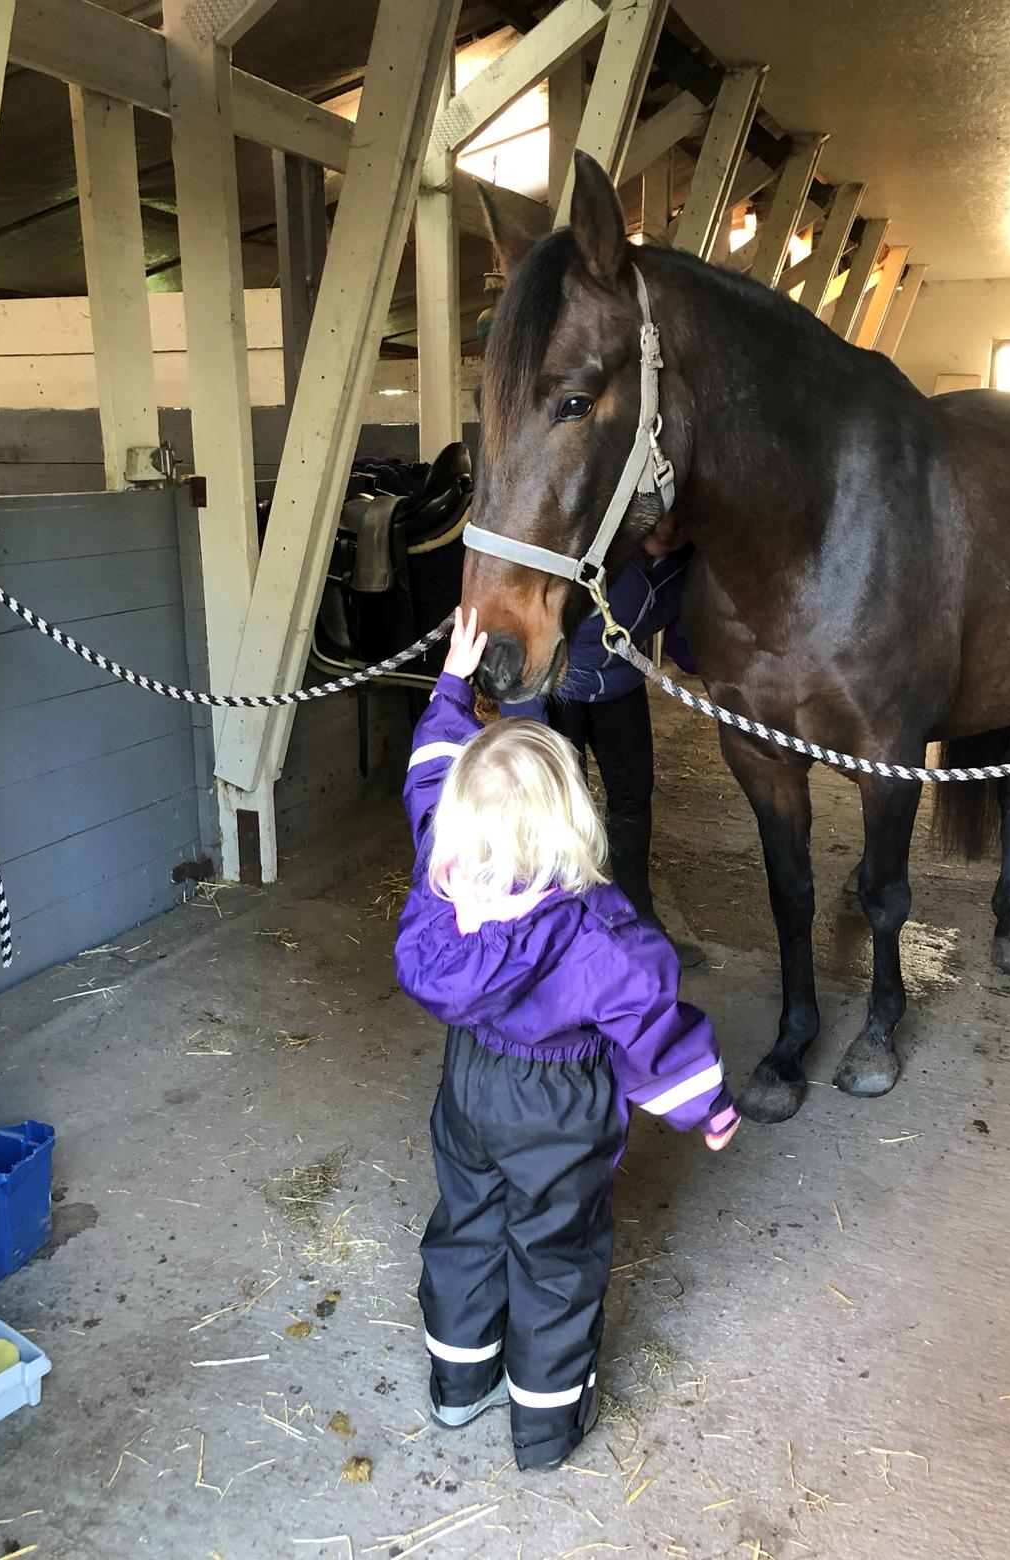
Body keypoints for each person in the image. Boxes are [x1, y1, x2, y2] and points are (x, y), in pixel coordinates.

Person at [394, 608, 740, 1473]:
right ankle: (545, 1427)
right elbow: (651, 1031)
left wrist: (452, 686)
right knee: (556, 1252)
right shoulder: (601, 934)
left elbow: (432, 771)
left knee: (467, 1219)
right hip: (557, 1100)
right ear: (572, 824)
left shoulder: (440, 876)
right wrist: (708, 1103)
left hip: (471, 1083)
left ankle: (457, 1387)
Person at [501, 546, 699, 960]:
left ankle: (639, 921)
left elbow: (685, 641)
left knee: (632, 797)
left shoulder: (672, 556)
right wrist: (527, 722)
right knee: (560, 806)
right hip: (558, 685)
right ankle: (564, 930)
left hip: (619, 685)